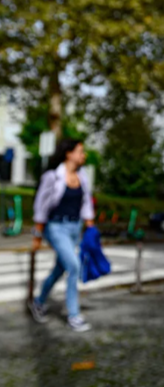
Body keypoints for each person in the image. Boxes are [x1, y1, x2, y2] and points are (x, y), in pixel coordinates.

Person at [28, 139, 95, 332]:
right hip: (56, 227)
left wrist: (90, 227)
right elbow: (41, 206)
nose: (84, 155)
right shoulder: (52, 177)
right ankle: (74, 315)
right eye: (80, 151)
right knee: (74, 266)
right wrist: (37, 235)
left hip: (75, 227)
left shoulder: (83, 176)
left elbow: (86, 202)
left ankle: (39, 302)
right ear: (69, 154)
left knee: (60, 268)